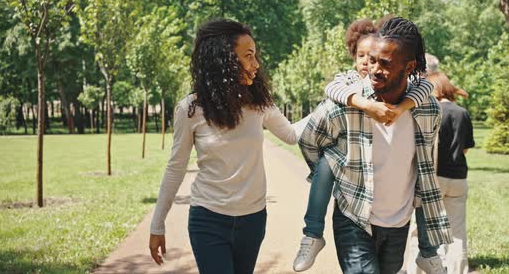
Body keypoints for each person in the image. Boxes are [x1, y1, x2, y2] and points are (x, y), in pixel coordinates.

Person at [148, 19, 304, 274]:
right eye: (248, 56)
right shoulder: (190, 109)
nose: (256, 64)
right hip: (208, 219)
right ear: (224, 60)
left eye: (255, 56)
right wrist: (157, 225)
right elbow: (175, 168)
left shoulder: (259, 103)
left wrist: (333, 104)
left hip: (253, 219)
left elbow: (290, 134)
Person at [298, 17, 452, 273]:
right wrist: (335, 170)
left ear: (409, 66)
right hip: (354, 217)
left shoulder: (427, 109)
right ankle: (312, 234)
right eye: (372, 60)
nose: (374, 69)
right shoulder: (346, 104)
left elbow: (424, 164)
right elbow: (310, 141)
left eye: (385, 63)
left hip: (399, 221)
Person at [427, 72, 475, 274]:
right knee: (457, 231)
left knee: (423, 230)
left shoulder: (432, 111)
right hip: (458, 178)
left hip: (434, 176)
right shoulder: (462, 112)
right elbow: (465, 148)